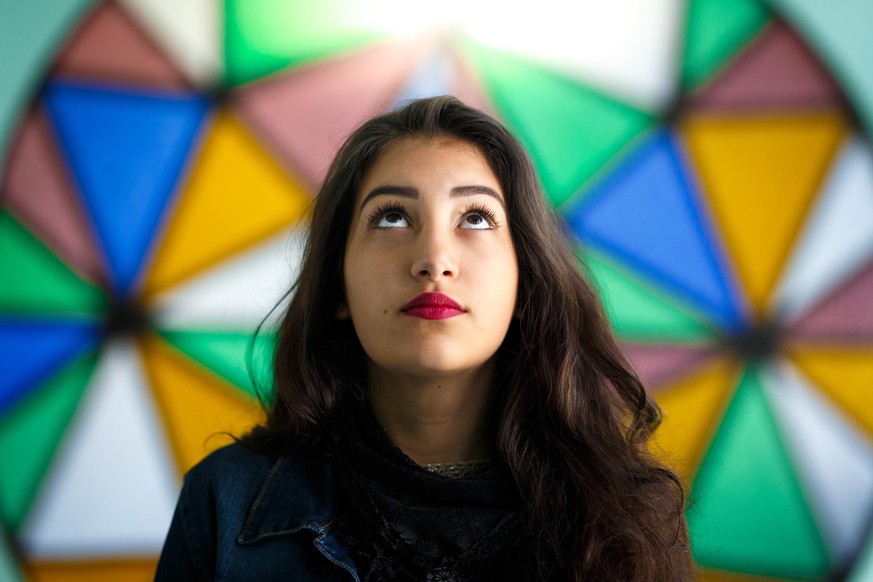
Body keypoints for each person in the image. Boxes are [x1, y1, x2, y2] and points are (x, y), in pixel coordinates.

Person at [155, 96, 693, 581]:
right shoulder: (223, 503)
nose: (434, 260)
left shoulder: (632, 516)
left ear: (526, 282)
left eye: (477, 218)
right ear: (337, 283)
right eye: (391, 217)